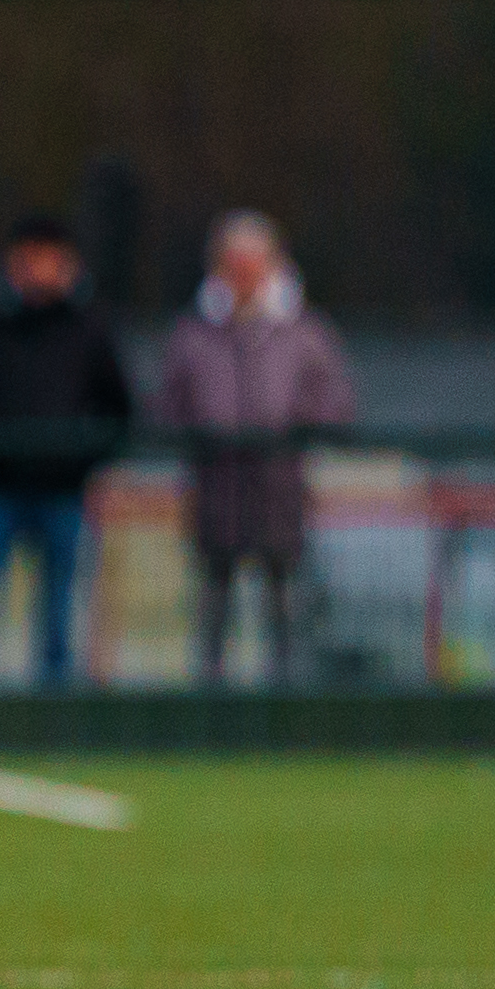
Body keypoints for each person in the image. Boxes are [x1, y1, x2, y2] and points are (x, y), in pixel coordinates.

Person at [155, 210, 354, 686]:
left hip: (280, 490)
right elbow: (167, 405)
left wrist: (294, 425)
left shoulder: (306, 332)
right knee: (214, 602)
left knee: (283, 602)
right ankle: (210, 703)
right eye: (233, 263)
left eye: (252, 263)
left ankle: (284, 706)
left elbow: (336, 402)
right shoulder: (191, 333)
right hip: (215, 489)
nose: (242, 274)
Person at [0, 215, 132, 686]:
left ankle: (55, 723)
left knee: (61, 619)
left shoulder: (90, 328)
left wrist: (82, 463)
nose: (41, 269)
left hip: (64, 493)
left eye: (52, 258)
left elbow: (120, 410)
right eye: (32, 257)